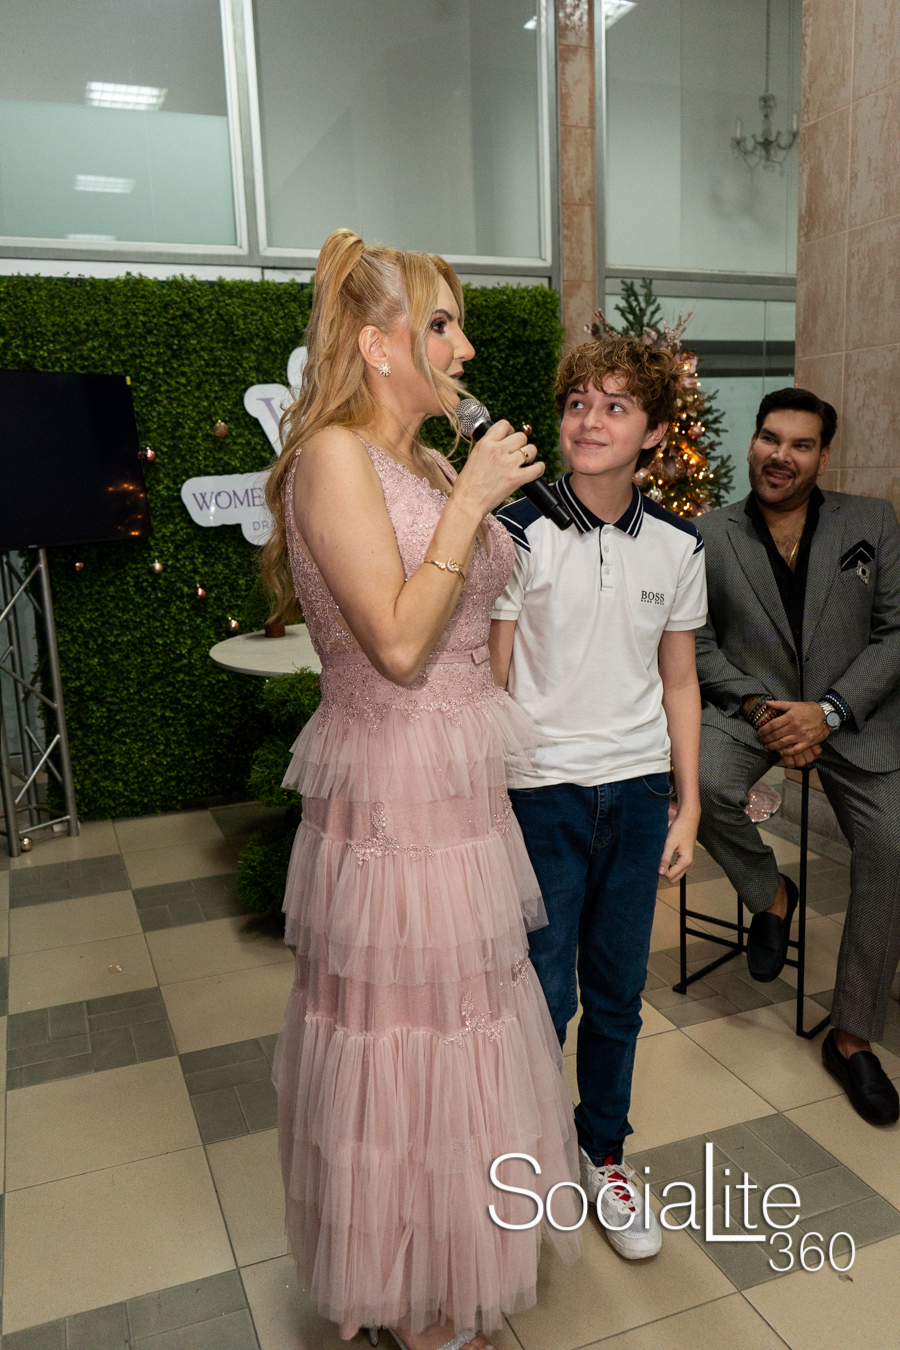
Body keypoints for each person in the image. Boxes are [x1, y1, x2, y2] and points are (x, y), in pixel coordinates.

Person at [261, 229, 580, 1350]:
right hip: (392, 782)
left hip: (460, 785)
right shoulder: (331, 459)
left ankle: (455, 1265)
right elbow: (396, 645)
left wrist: (481, 493)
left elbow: (477, 621)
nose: (465, 347)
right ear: (376, 344)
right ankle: (402, 1288)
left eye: (460, 325)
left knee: (470, 1024)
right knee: (402, 1034)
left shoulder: (437, 467)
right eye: (441, 324)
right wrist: (472, 498)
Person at [489, 334, 706, 1259]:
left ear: (653, 431)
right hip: (542, 794)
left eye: (616, 406)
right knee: (542, 995)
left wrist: (689, 805)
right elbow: (494, 676)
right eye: (578, 402)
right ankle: (530, 1157)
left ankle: (603, 1154)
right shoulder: (516, 530)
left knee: (618, 993)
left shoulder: (679, 544)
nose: (589, 419)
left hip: (640, 790)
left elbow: (681, 681)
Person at [695, 386, 900, 1127]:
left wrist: (831, 712)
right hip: (754, 710)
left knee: (892, 843)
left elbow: (895, 633)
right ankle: (771, 896)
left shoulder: (871, 522)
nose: (781, 456)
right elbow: (698, 644)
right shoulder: (707, 534)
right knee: (701, 783)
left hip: (853, 716)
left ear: (822, 455)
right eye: (771, 439)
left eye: (800, 444)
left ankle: (851, 1037)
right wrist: (760, 708)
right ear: (754, 441)